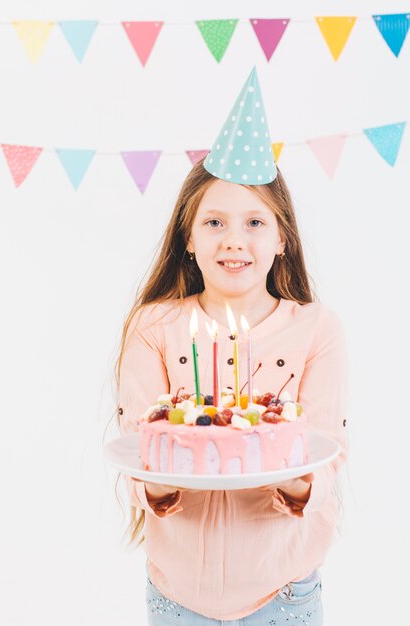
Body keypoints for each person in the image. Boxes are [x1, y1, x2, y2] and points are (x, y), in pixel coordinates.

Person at [114, 67, 348, 625]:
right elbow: (141, 453)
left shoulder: (318, 330)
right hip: (177, 600)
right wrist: (159, 482)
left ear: (282, 237)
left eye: (254, 222)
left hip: (284, 597)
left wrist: (297, 478)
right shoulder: (154, 327)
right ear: (188, 239)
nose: (234, 240)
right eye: (214, 222)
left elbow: (325, 459)